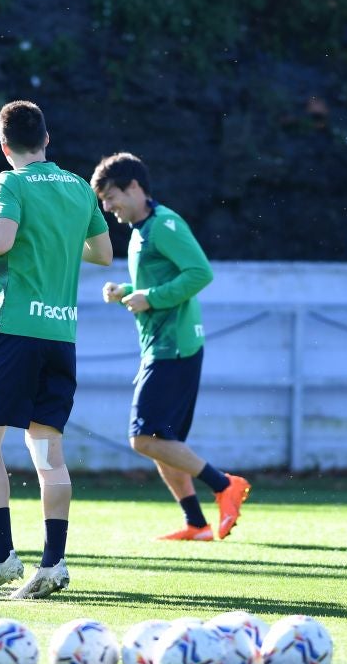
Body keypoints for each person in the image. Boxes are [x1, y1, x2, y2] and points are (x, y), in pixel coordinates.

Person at [0, 100, 112, 599]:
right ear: (48, 138)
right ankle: (54, 563)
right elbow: (104, 254)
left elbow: (1, 242)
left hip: (14, 332)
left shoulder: (12, 183)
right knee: (48, 452)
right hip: (60, 339)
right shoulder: (78, 187)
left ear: (5, 147)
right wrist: (62, 242)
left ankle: (1, 556)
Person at [90, 152, 250, 541]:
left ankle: (225, 485)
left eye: (111, 197)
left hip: (173, 347)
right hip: (159, 345)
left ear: (134, 187)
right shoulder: (141, 230)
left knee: (143, 438)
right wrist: (127, 292)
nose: (107, 208)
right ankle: (195, 523)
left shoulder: (165, 224)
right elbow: (157, 284)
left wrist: (151, 297)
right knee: (164, 443)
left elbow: (200, 273)